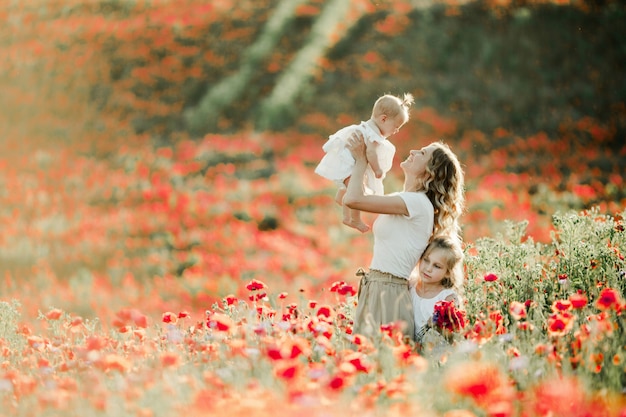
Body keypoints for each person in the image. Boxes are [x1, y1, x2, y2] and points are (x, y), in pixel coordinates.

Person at [344, 133, 465, 342]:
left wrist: (362, 160)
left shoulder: (416, 203)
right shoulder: (401, 199)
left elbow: (353, 199)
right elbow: (346, 198)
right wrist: (359, 164)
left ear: (429, 173)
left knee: (379, 363)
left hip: (389, 291)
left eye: (422, 153)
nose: (413, 151)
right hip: (376, 286)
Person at [315, 93, 414, 233]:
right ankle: (353, 219)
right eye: (396, 126)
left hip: (345, 164)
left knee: (349, 187)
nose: (396, 131)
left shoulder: (364, 127)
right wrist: (377, 169)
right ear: (383, 119)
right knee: (357, 192)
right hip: (350, 166)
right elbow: (371, 153)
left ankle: (341, 198)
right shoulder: (373, 134)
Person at [410, 235, 464, 345]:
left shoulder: (447, 298)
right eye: (426, 260)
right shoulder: (410, 285)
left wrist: (438, 327)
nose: (428, 268)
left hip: (437, 356)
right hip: (413, 353)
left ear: (448, 272)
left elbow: (454, 335)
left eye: (437, 266)